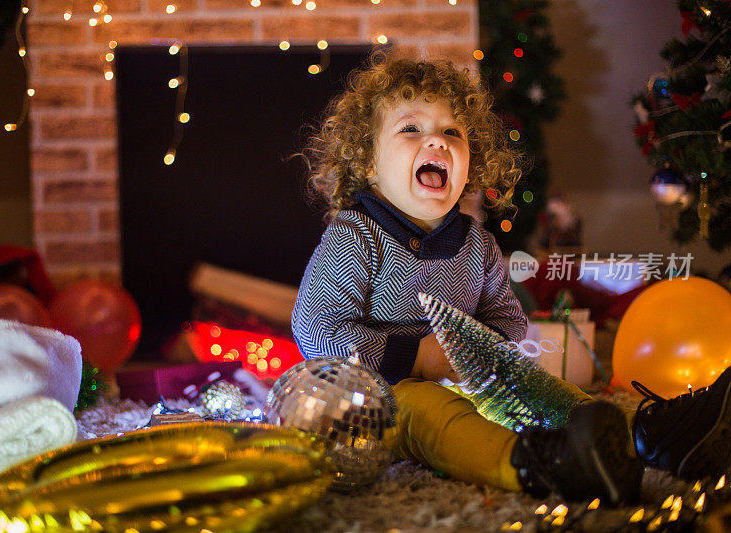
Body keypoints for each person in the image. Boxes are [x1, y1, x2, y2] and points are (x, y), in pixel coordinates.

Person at [291, 52, 731, 504]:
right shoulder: (355, 236)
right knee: (431, 414)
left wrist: (485, 349)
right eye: (411, 129)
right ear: (368, 163)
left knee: (545, 390)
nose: (437, 143)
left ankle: (651, 434)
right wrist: (418, 356)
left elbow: (507, 316)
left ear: (470, 165)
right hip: (378, 398)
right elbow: (315, 328)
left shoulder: (476, 242)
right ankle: (539, 463)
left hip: (471, 377)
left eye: (452, 132)